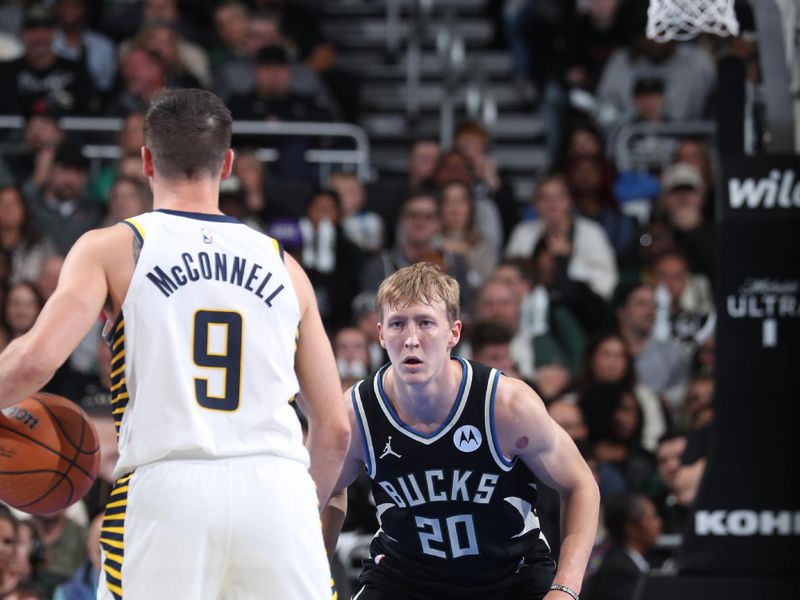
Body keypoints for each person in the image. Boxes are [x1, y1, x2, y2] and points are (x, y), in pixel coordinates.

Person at [0, 89, 350, 599]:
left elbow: (32, 361)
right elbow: (334, 429)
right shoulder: (285, 266)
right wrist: (298, 508)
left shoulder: (115, 247)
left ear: (146, 160)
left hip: (169, 491)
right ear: (227, 163)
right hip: (278, 491)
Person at [322, 262, 599, 600]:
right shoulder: (357, 412)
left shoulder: (506, 405)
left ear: (453, 332)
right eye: (397, 324)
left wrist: (565, 588)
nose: (411, 339)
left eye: (425, 323)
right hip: (404, 576)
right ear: (380, 334)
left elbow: (580, 484)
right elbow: (329, 491)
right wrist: (314, 571)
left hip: (510, 574)